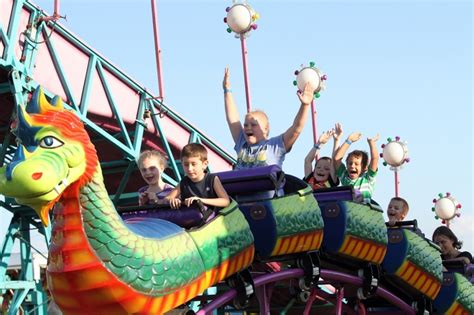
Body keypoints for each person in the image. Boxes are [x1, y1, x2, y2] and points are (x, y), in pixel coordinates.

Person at [223, 67, 314, 169]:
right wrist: (227, 90)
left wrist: (305, 106)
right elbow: (232, 119)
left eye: (253, 125)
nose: (248, 127)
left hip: (266, 184)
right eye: (245, 125)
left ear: (265, 129)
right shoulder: (242, 143)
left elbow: (296, 128)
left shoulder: (275, 146)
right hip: (242, 184)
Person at [166, 143, 230, 210]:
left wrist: (200, 200)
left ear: (204, 164)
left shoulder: (212, 179)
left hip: (214, 219)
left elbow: (225, 201)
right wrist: (174, 200)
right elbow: (167, 198)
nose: (190, 169)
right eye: (186, 164)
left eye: (194, 164)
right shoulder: (184, 182)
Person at [333, 130, 380, 204]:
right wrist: (349, 141)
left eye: (356, 164)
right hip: (349, 213)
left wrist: (372, 143)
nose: (352, 166)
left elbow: (375, 159)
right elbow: (336, 159)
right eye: (350, 163)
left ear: (365, 168)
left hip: (364, 213)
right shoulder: (345, 177)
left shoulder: (368, 178)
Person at [303, 123, 343, 190]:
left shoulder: (331, 181)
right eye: (318, 167)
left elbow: (334, 161)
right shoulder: (310, 179)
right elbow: (307, 161)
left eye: (326, 169)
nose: (321, 170)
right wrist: (319, 143)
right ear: (314, 170)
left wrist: (337, 140)